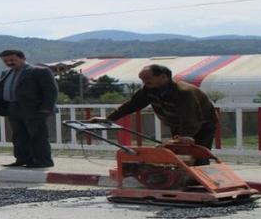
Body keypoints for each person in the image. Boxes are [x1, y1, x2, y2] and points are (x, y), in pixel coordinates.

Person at [90, 64, 218, 153]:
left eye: (147, 79)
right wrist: (109, 119)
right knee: (180, 153)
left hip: (202, 125)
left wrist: (187, 135)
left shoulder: (183, 92)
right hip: (178, 125)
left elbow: (190, 116)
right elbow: (132, 105)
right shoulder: (149, 89)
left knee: (198, 153)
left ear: (163, 77)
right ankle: (181, 180)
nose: (144, 82)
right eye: (142, 79)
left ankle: (199, 184)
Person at [0, 49, 58, 169]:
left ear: (23, 58)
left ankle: (43, 160)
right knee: (19, 135)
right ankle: (22, 159)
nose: (9, 62)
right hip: (13, 107)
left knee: (37, 135)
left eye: (12, 60)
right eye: (6, 61)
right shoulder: (6, 72)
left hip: (34, 109)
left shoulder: (39, 71)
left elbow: (51, 91)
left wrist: (45, 109)